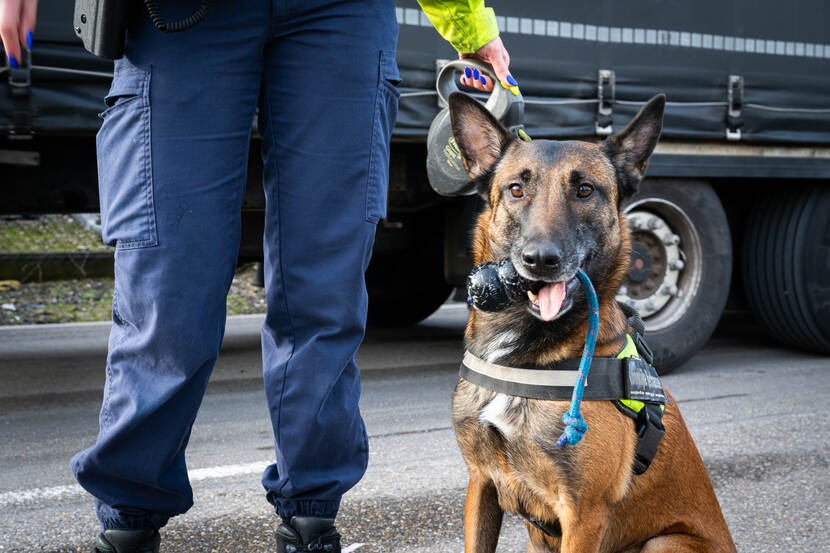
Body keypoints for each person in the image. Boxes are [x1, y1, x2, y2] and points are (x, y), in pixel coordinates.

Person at [0, 1, 516, 551]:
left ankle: (311, 520)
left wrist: (468, 21)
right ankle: (129, 522)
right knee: (169, 287)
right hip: (183, 15)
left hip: (338, 14)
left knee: (325, 293)